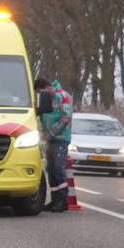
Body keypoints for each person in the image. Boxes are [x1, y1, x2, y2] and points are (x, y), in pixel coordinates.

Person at [36, 77, 73, 212]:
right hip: (49, 140)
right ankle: (54, 199)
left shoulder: (63, 96)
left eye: (41, 92)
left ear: (47, 87)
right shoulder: (45, 99)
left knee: (58, 167)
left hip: (60, 139)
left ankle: (63, 200)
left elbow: (66, 117)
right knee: (50, 169)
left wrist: (51, 133)